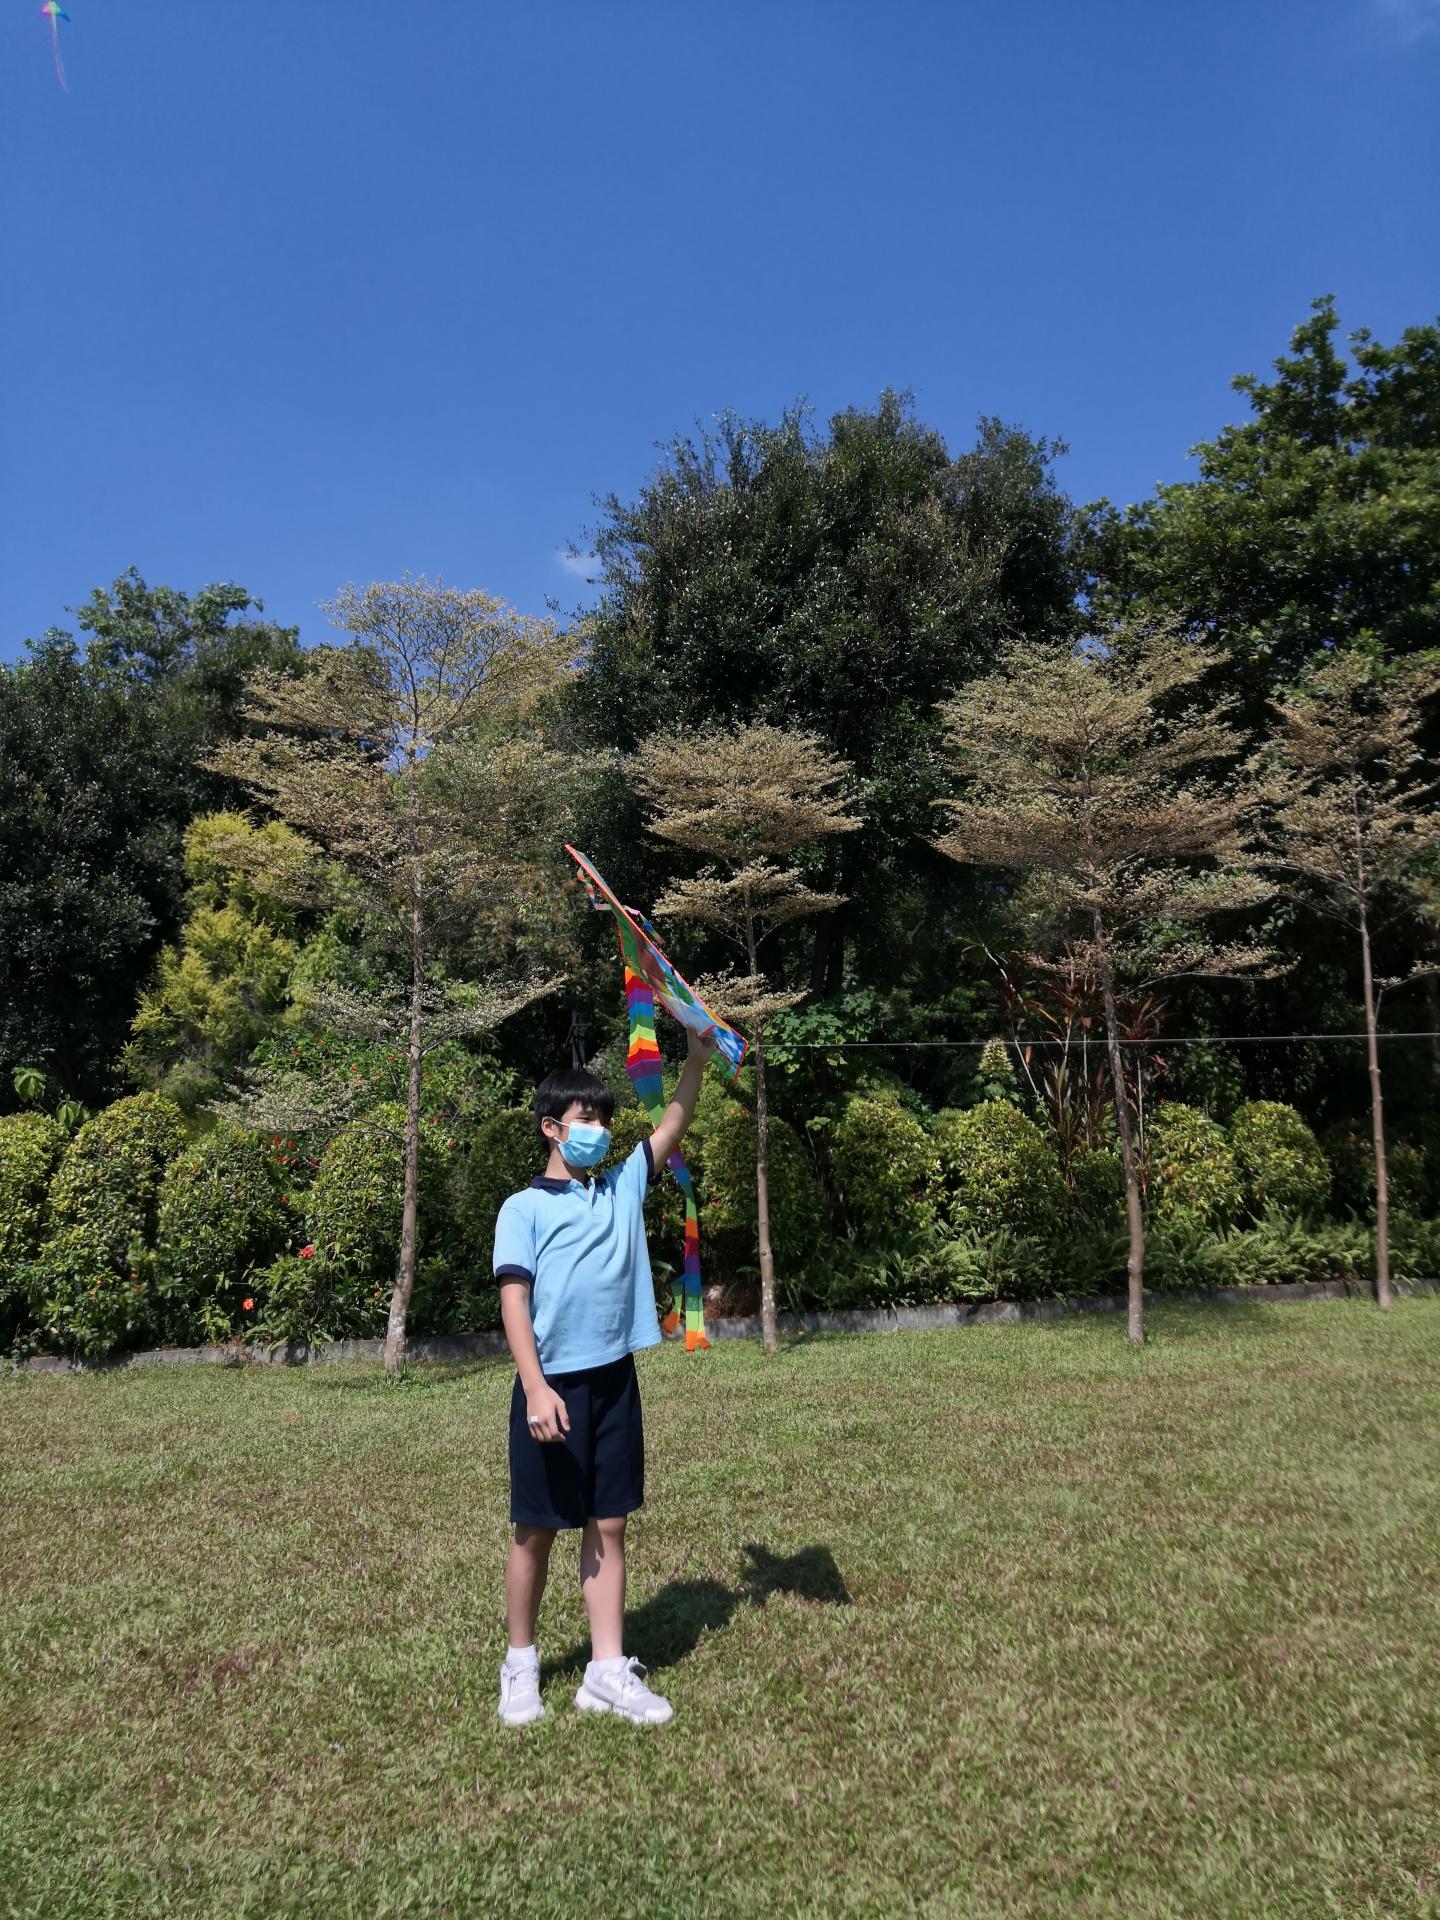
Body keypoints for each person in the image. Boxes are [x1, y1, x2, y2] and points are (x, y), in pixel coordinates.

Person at [493, 1027, 717, 1728]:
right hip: (552, 1387)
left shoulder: (620, 1187)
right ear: (551, 1127)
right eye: (586, 1118)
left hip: (615, 1381)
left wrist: (696, 1056)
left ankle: (606, 1670)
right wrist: (535, 1387)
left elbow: (674, 1121)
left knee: (609, 1524)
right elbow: (514, 1302)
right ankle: (520, 1663)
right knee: (537, 1528)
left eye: (603, 1119)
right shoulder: (523, 1209)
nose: (599, 1130)